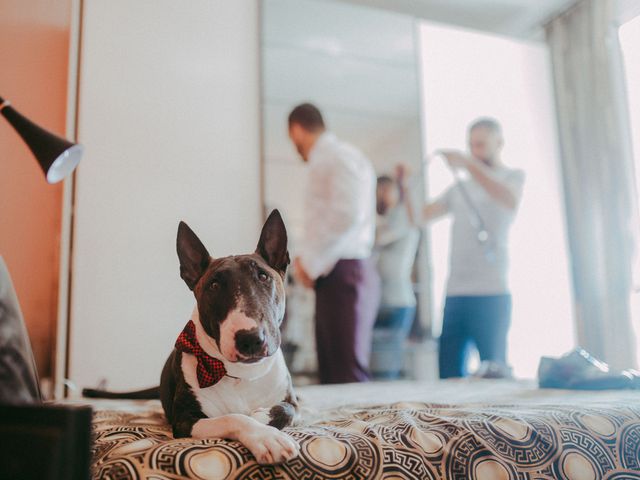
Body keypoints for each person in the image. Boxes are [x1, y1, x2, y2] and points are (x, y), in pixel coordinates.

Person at [423, 118, 525, 378]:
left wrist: (467, 164)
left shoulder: (511, 177)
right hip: (455, 293)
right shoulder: (460, 188)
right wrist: (403, 186)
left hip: (491, 292)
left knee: (494, 373)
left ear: (499, 143)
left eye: (480, 145)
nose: (475, 151)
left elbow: (509, 200)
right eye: (471, 146)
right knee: (448, 375)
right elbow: (421, 217)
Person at [288, 103, 379, 384]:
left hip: (344, 271)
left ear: (296, 130)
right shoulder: (331, 158)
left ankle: (362, 430)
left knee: (346, 373)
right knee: (331, 372)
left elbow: (346, 215)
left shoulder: (338, 156)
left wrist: (310, 262)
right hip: (333, 273)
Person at [371, 165, 420, 379]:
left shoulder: (402, 218)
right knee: (375, 368)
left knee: (385, 370)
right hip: (377, 301)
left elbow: (377, 239)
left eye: (385, 189)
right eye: (377, 190)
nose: (380, 195)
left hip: (397, 302)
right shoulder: (384, 220)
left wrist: (405, 184)